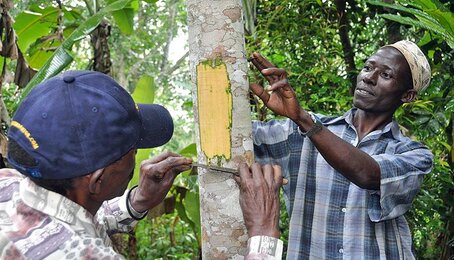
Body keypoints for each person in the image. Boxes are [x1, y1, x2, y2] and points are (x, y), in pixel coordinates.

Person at [0, 70, 283, 259]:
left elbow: (64, 220)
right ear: (98, 180)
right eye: (132, 150)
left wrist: (136, 201)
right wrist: (264, 231)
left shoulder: (9, 182)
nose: (138, 158)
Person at [248, 40, 433, 259]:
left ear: (407, 96)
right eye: (367, 67)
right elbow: (236, 140)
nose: (368, 78)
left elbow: (368, 174)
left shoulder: (414, 156)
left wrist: (303, 119)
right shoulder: (296, 132)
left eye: (386, 75)